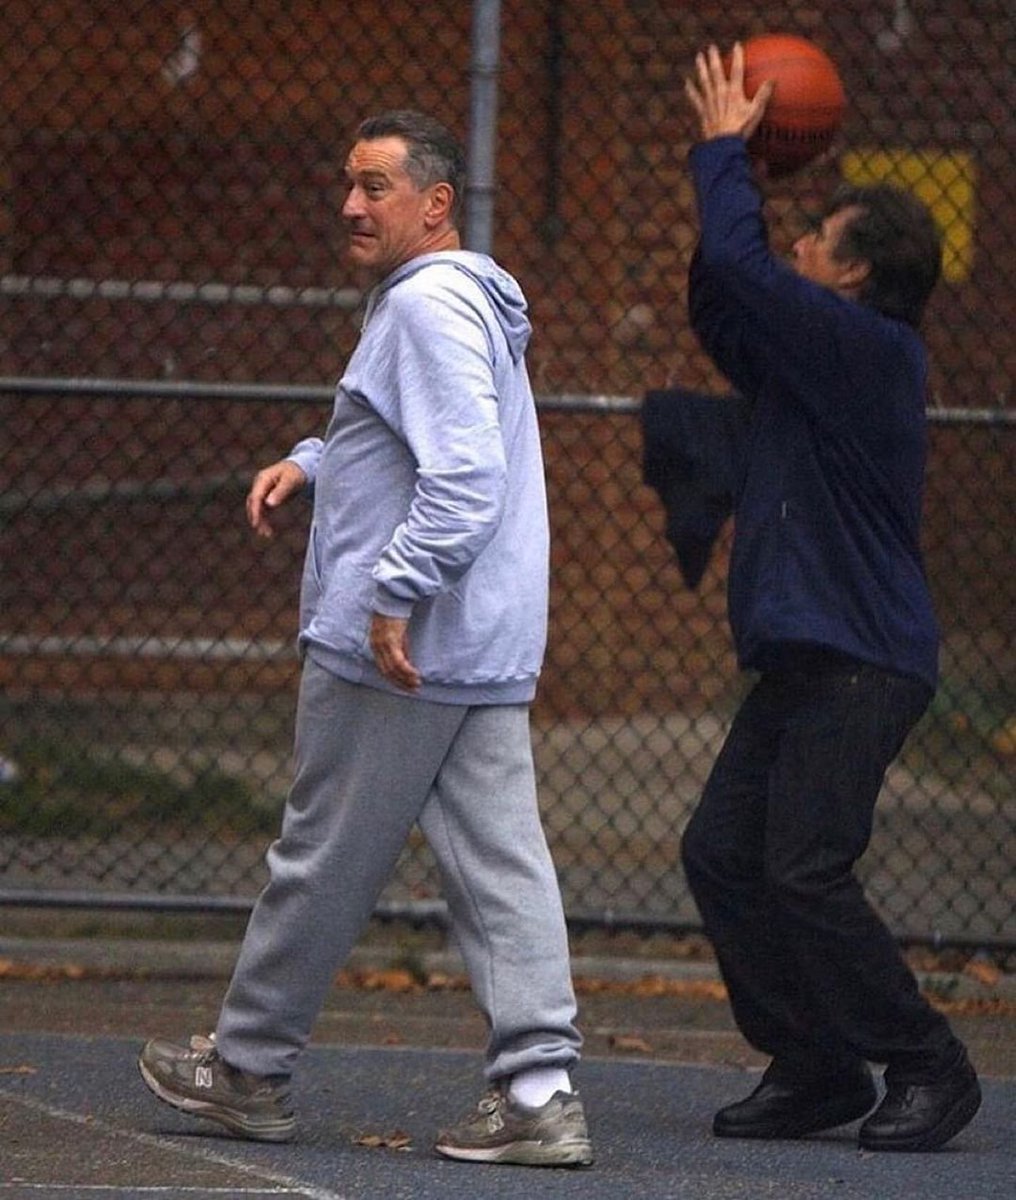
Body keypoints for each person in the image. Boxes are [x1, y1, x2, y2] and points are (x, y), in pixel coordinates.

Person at [138, 109, 593, 1169]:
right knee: (501, 863)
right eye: (348, 184)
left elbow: (463, 476)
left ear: (434, 204)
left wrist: (389, 594)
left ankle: (248, 1069)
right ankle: (536, 1091)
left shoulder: (426, 307)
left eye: (375, 186)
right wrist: (316, 457)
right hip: (478, 642)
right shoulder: (457, 301)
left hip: (403, 649)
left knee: (322, 853)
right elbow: (408, 433)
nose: (349, 204)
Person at [678, 45, 981, 1152]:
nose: (796, 245)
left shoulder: (870, 355)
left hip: (865, 659)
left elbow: (748, 272)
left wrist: (726, 156)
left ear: (852, 276)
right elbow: (725, 303)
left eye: (817, 240)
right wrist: (716, 175)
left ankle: (925, 1063)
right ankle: (813, 1064)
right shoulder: (811, 359)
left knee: (803, 865)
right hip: (810, 657)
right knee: (721, 852)